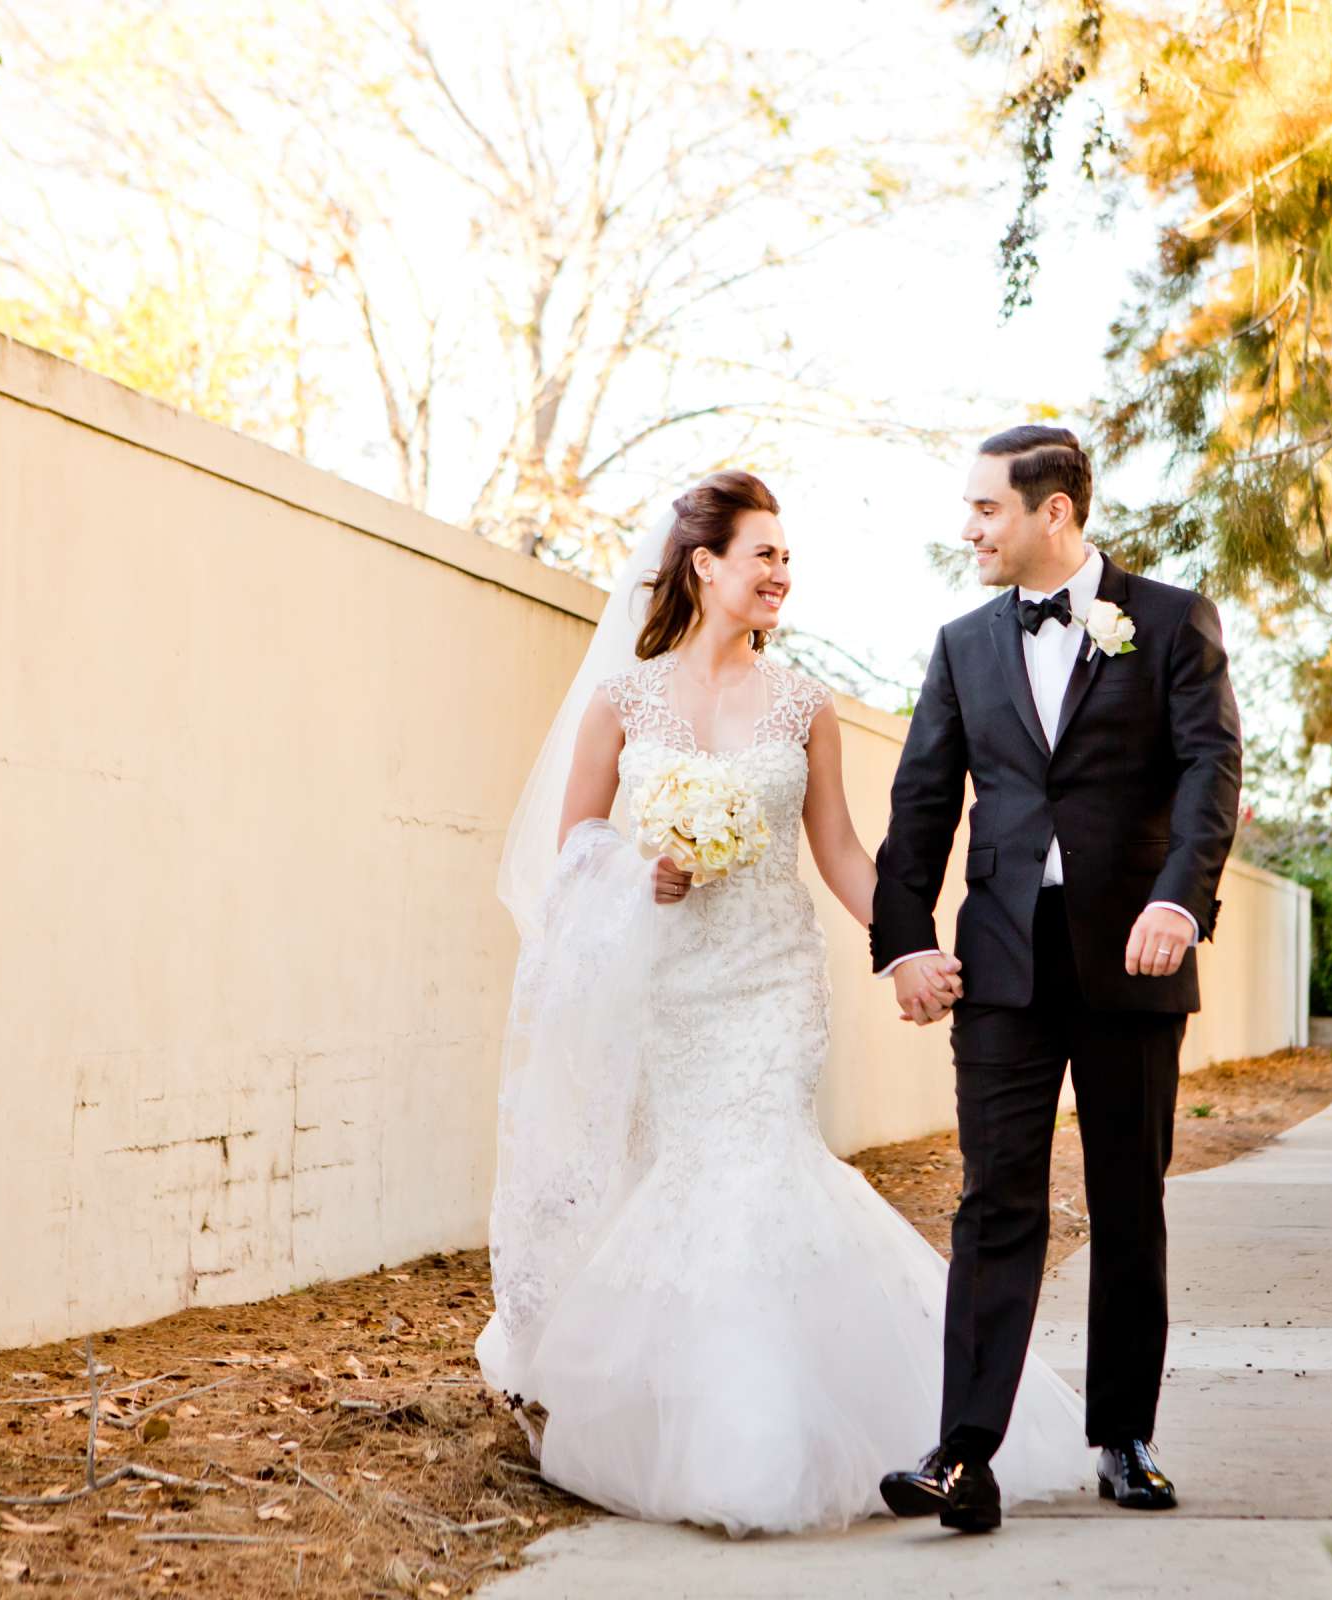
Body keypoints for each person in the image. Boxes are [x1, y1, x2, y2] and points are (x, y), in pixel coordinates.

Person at [478, 469, 1090, 1537]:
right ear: (704, 564)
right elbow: (575, 845)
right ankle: (693, 1418)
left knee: (755, 1172)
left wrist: (905, 946)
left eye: (786, 557)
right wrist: (646, 868)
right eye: (763, 553)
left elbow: (844, 852)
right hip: (670, 986)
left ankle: (758, 1444)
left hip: (767, 985)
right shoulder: (623, 700)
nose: (781, 572)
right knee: (687, 1184)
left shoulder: (805, 704)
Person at [872, 427, 1243, 1532]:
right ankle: (963, 1452)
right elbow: (923, 801)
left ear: (1055, 514)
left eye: (987, 508)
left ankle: (1124, 1437)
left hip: (1135, 949)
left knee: (1130, 1196)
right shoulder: (962, 642)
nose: (970, 529)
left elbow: (1210, 768)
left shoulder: (1172, 621)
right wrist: (904, 940)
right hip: (1001, 959)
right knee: (995, 1201)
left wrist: (1180, 900)